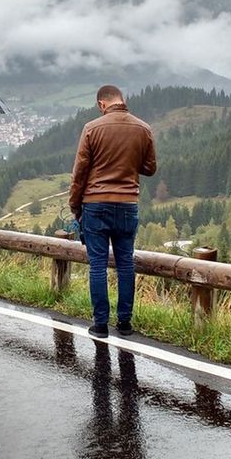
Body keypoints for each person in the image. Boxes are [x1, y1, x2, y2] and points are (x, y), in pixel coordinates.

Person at [69, 85, 157, 338]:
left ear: (101, 104)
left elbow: (80, 173)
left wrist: (76, 206)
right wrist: (128, 161)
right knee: (125, 264)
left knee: (97, 265)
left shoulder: (91, 128)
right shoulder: (143, 128)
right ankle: (125, 323)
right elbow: (150, 168)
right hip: (128, 204)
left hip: (95, 205)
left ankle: (100, 325)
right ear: (122, 100)